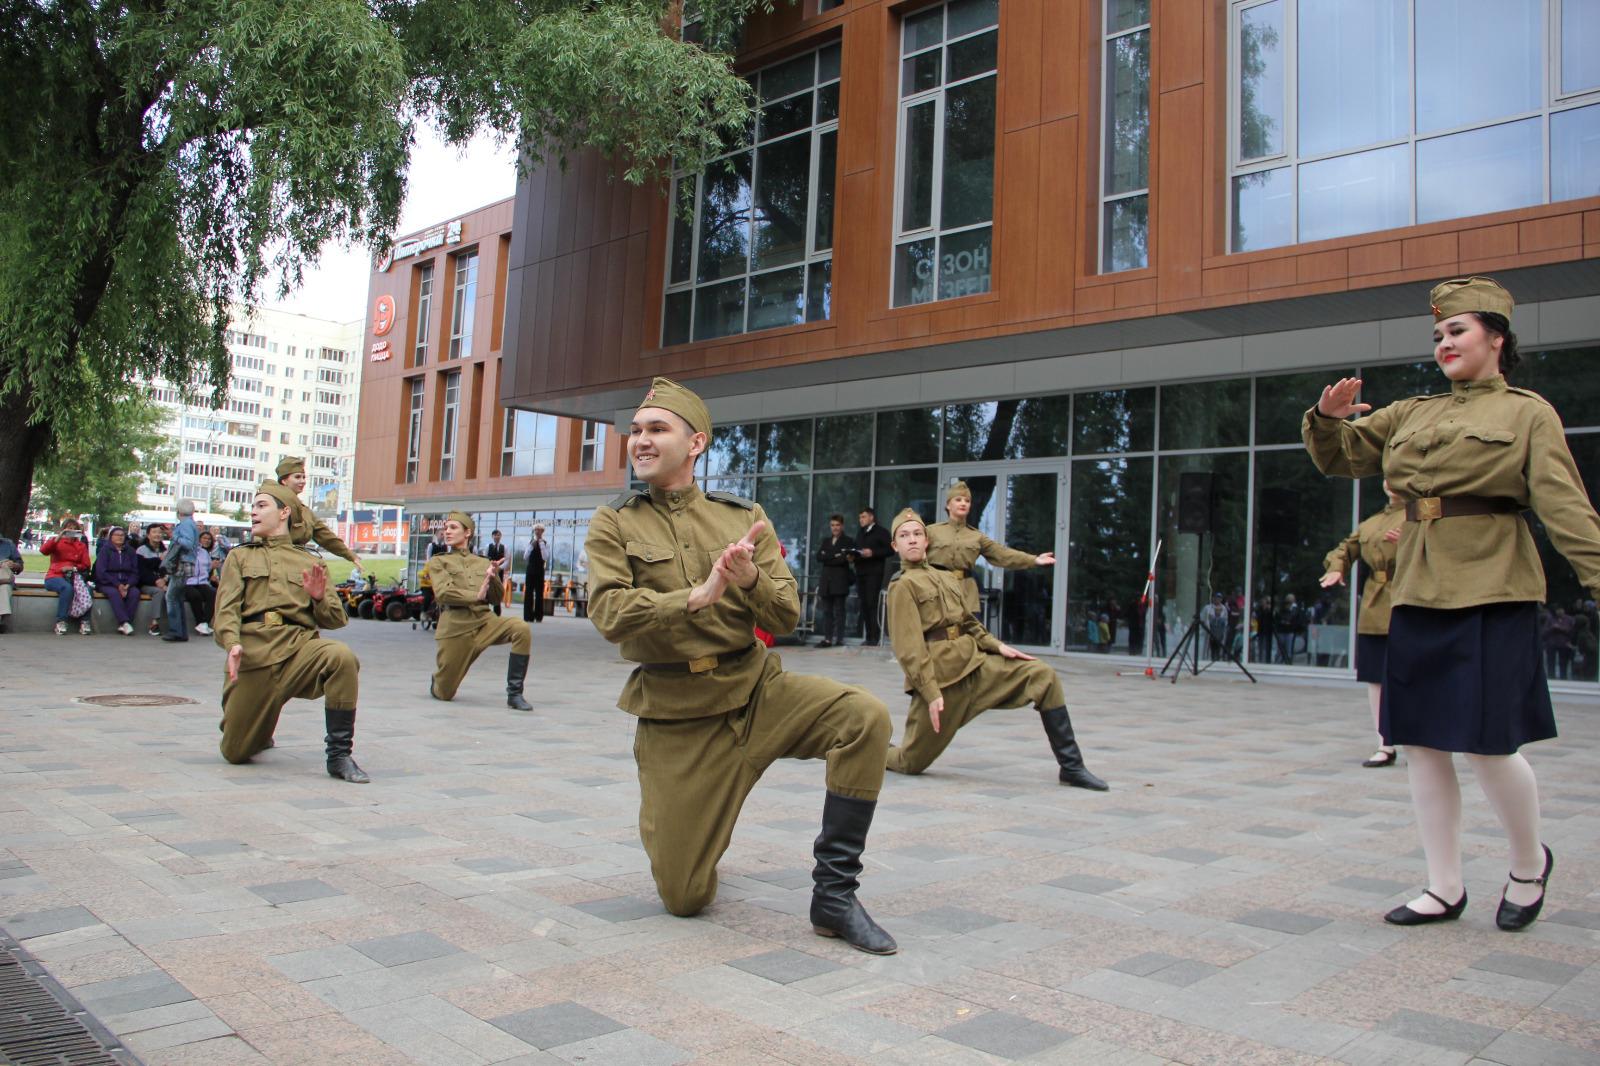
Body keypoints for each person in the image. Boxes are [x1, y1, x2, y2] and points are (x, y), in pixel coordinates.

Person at [1304, 275, 1600, 932]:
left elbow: (1568, 511)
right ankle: (1444, 886)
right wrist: (1326, 419)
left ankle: (1528, 863)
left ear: (1496, 336)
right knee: (1423, 744)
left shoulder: (1527, 413)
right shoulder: (1413, 412)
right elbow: (1343, 455)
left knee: (1491, 745)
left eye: (1457, 330)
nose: (1443, 342)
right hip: (1417, 588)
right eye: (1437, 334)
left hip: (1493, 586)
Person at [585, 377, 896, 955]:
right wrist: (696, 596)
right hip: (678, 715)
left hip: (757, 692)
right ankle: (699, 831)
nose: (641, 442)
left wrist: (749, 578)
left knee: (865, 718)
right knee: (684, 896)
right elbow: (608, 613)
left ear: (695, 442)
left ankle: (834, 896)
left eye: (657, 429)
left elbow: (785, 615)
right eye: (636, 432)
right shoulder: (616, 522)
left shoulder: (742, 515)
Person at [884, 508, 1107, 790]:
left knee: (1043, 676)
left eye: (917, 534)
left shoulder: (944, 577)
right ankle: (874, 748)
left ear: (927, 540)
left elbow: (967, 621)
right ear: (895, 545)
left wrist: (998, 646)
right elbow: (909, 650)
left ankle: (1072, 767)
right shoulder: (902, 587)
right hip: (944, 683)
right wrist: (930, 693)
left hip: (977, 666)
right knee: (910, 762)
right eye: (904, 536)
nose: (912, 540)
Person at [213, 482, 368, 782]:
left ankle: (339, 755)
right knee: (235, 753)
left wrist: (319, 598)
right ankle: (258, 728)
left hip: (299, 651)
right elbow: (226, 610)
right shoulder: (240, 557)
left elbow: (336, 619)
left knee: (341, 657)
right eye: (253, 506)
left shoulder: (311, 560)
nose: (253, 512)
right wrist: (232, 643)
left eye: (261, 505)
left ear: (284, 512)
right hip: (255, 657)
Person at [1321, 484, 1407, 768]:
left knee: (1415, 674)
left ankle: (1422, 740)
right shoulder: (1371, 524)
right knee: (1375, 677)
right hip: (1375, 606)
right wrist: (1336, 567)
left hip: (1411, 599)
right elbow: (1345, 549)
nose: (1390, 482)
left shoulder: (1423, 516)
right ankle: (1385, 743)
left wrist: (1411, 542)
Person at [424, 511, 534, 710]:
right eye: (446, 528)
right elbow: (443, 593)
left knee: (521, 628)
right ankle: (438, 683)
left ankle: (515, 694)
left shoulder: (484, 562)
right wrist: (476, 595)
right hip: (456, 628)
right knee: (445, 692)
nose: (447, 531)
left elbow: (495, 598)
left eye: (453, 527)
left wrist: (492, 576)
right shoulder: (438, 561)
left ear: (467, 533)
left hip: (485, 622)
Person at [926, 481, 1056, 617]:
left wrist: (1034, 560)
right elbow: (914, 554)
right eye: (958, 500)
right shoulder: (931, 531)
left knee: (970, 636)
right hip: (937, 591)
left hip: (965, 595)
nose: (963, 503)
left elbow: (1002, 554)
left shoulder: (976, 536)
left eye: (967, 501)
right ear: (948, 505)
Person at [274, 457, 362, 570]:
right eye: (297, 477)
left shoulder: (305, 511)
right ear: (283, 480)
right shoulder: (272, 505)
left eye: (303, 477)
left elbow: (326, 536)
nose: (302, 481)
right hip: (276, 567)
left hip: (296, 567)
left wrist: (351, 556)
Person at [42, 519, 94, 636]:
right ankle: (61, 621)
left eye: (74, 528)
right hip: (55, 575)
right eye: (68, 528)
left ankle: (85, 621)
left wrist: (73, 567)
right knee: (67, 588)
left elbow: (86, 564)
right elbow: (44, 551)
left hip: (74, 576)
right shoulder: (57, 542)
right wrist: (59, 537)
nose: (71, 531)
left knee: (88, 589)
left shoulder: (80, 545)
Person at [814, 514, 854, 647]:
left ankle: (839, 639)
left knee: (840, 611)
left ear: (842, 526)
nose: (835, 528)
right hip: (826, 582)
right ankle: (828, 638)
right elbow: (819, 556)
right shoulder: (826, 541)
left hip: (840, 582)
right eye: (832, 525)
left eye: (837, 525)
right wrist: (835, 556)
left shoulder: (848, 541)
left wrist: (829, 557)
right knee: (827, 612)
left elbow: (844, 559)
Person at [853, 508, 892, 646]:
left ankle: (875, 637)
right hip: (861, 572)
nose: (861, 520)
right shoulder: (860, 533)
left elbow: (890, 549)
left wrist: (873, 552)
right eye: (860, 518)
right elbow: (857, 548)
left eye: (863, 517)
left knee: (871, 603)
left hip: (874, 573)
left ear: (871, 517)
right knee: (863, 604)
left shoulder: (881, 532)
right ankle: (869, 636)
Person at [161, 500, 199, 642]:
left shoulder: (185, 525)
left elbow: (187, 543)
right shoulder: (192, 524)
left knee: (171, 596)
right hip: (186, 563)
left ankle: (175, 630)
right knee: (178, 597)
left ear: (179, 511)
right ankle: (181, 631)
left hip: (181, 563)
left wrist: (173, 535)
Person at [93, 526, 142, 635]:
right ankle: (124, 622)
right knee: (114, 593)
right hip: (108, 582)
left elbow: (135, 571)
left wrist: (128, 584)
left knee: (135, 593)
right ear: (111, 537)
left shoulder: (130, 551)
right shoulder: (105, 551)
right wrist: (118, 584)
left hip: (126, 582)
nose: (120, 537)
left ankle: (124, 624)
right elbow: (101, 571)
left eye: (122, 535)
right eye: (117, 535)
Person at [136, 524, 170, 635]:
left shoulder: (166, 551)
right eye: (154, 532)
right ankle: (154, 623)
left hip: (164, 582)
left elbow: (170, 569)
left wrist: (165, 579)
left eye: (160, 532)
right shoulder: (141, 550)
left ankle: (176, 625)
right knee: (159, 592)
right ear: (148, 535)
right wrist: (157, 581)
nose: (157, 535)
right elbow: (142, 571)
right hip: (147, 583)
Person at [184, 530, 220, 636]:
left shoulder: (204, 552)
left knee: (213, 593)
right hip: (188, 582)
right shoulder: (185, 552)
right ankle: (200, 622)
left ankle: (204, 622)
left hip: (202, 582)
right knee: (195, 595)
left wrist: (212, 569)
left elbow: (207, 569)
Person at [1541, 606, 1574, 680]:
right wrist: (1552, 628)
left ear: (1563, 610)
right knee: (1550, 662)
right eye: (1557, 610)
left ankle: (1563, 678)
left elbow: (1571, 631)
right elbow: (1544, 632)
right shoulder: (1550, 619)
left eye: (1560, 609)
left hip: (1564, 644)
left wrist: (1560, 628)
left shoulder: (1569, 619)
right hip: (1552, 644)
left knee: (1563, 663)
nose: (1559, 611)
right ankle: (1551, 677)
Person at [523, 523, 547, 622]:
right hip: (530, 570)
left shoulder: (545, 543)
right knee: (528, 593)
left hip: (540, 570)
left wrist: (541, 545)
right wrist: (530, 547)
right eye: (536, 530)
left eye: (540, 530)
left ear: (542, 532)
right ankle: (528, 616)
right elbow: (525, 557)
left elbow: (545, 557)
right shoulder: (530, 542)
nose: (538, 532)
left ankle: (538, 615)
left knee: (539, 593)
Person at [482, 530, 509, 616]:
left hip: (499, 572)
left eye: (498, 535)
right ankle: (485, 610)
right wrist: (489, 567)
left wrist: (500, 568)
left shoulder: (504, 547)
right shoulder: (488, 546)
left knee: (497, 590)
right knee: (487, 589)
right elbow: (485, 558)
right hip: (489, 571)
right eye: (495, 535)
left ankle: (497, 612)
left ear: (500, 536)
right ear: (492, 536)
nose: (497, 537)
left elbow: (507, 560)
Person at [0, 530, 21, 634]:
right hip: (4, 580)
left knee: (4, 588)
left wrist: (14, 565)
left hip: (4, 580)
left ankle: (3, 621)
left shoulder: (8, 544)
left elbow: (19, 565)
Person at [1200, 593, 1229, 659]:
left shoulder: (1224, 609)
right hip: (1208, 632)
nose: (1218, 599)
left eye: (1219, 598)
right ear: (1213, 598)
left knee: (1218, 649)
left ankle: (1217, 660)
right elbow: (1202, 618)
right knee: (1208, 649)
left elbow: (1226, 622)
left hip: (1219, 633)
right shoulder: (1207, 608)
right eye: (1216, 597)